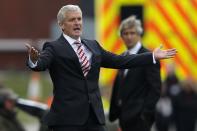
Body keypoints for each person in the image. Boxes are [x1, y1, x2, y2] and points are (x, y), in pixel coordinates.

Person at [25, 4, 177, 131]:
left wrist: (151, 56)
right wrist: (34, 60)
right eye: (72, 20)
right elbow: (41, 64)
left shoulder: (93, 45)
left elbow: (120, 61)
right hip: (67, 119)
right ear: (61, 25)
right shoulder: (54, 47)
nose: (77, 23)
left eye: (79, 19)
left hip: (94, 118)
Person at [108, 15, 161, 131]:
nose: (129, 36)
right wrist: (116, 114)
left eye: (132, 33)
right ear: (121, 36)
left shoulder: (149, 57)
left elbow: (156, 89)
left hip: (140, 119)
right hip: (124, 118)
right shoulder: (122, 57)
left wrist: (145, 115)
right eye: (125, 33)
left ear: (139, 34)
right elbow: (119, 88)